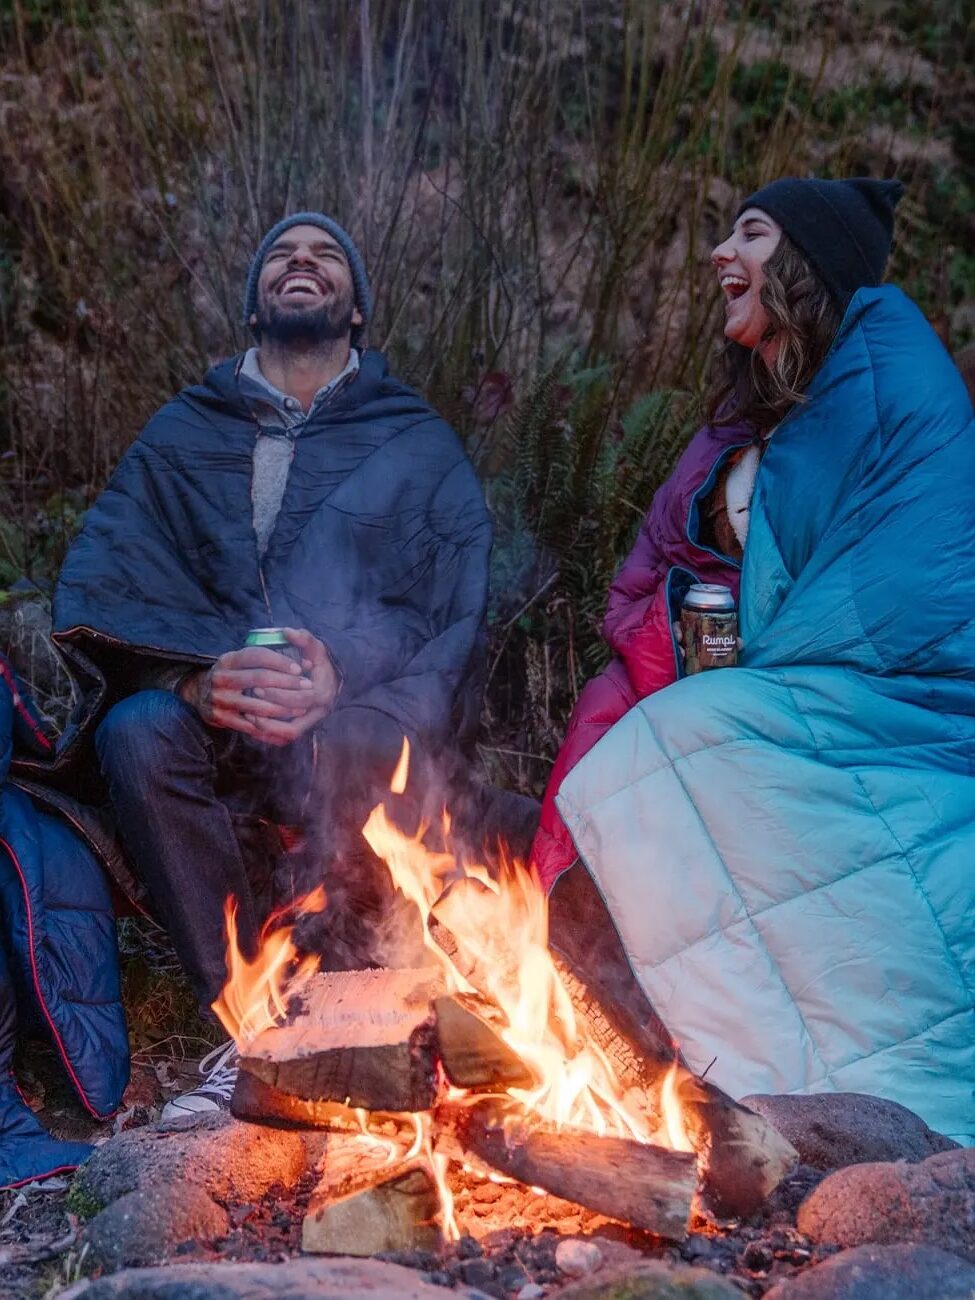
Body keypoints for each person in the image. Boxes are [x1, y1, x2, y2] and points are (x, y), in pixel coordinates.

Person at [539, 178, 975, 1142]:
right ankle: (626, 1026)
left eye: (750, 233)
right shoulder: (767, 407)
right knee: (643, 718)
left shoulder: (880, 377)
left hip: (918, 706)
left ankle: (724, 1073)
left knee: (689, 738)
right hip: (790, 673)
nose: (716, 255)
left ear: (804, 263)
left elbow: (894, 594)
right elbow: (656, 559)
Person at [47, 213, 493, 1119]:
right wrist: (190, 683)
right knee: (137, 733)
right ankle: (250, 1027)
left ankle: (363, 1004)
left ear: (357, 311)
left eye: (325, 255)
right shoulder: (186, 430)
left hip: (349, 726)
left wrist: (342, 677)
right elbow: (116, 583)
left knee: (376, 742)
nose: (302, 262)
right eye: (282, 255)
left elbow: (450, 607)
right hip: (216, 732)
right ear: (254, 306)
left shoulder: (411, 438)